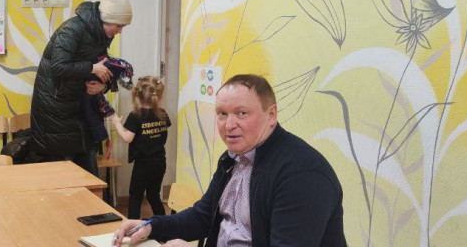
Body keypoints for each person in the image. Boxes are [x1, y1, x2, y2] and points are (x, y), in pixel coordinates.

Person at [112, 74, 345, 247]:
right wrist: (150, 226)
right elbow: (203, 216)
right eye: (222, 114)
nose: (229, 125)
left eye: (242, 113)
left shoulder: (301, 175)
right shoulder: (234, 157)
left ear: (271, 115)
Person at [29, 0, 132, 176]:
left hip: (80, 108)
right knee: (66, 175)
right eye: (119, 25)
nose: (120, 31)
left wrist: (103, 86)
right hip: (56, 109)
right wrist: (92, 68)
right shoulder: (71, 29)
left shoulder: (100, 36)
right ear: (107, 19)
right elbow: (58, 67)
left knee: (89, 172)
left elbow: (101, 68)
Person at [110, 76, 170, 219]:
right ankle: (164, 225)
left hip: (143, 165)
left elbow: (127, 138)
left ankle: (133, 228)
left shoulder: (135, 115)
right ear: (158, 97)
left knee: (135, 196)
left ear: (137, 94)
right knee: (154, 195)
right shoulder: (162, 113)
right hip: (160, 162)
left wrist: (117, 124)